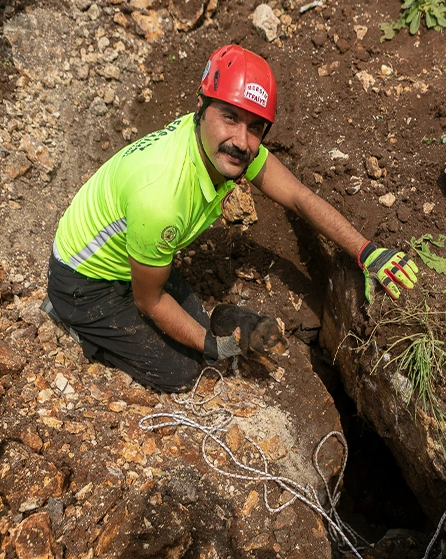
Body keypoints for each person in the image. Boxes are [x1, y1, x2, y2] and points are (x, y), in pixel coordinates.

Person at [45, 44, 418, 393]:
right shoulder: (162, 196)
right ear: (201, 107)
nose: (242, 140)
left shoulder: (214, 145)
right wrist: (219, 347)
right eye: (230, 117)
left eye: (255, 126)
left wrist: (367, 252)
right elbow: (150, 301)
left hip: (133, 254)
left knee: (197, 333)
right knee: (183, 372)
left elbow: (299, 198)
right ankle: (77, 323)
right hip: (84, 281)